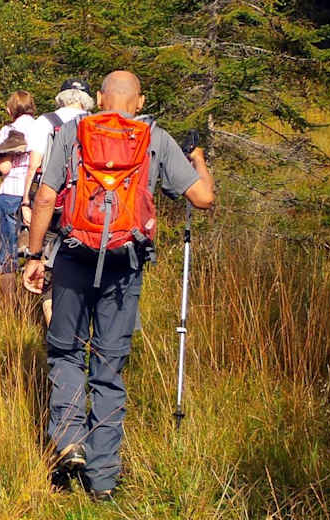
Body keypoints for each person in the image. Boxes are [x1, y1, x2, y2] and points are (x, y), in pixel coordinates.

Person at [21, 71, 215, 501]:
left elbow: (47, 197)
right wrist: (197, 158)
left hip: (73, 258)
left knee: (67, 351)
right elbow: (202, 198)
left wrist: (35, 257)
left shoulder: (74, 131)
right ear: (139, 99)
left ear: (101, 98)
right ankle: (103, 480)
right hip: (125, 266)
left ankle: (68, 442)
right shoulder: (154, 137)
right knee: (109, 369)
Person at [30, 80, 96, 325]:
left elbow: (35, 165)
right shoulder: (97, 124)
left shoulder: (45, 122)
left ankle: (55, 332)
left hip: (54, 206)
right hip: (90, 209)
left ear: (61, 96)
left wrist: (28, 201)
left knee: (48, 268)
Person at [0, 91, 42, 316]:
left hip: (11, 193)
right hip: (36, 196)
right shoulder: (42, 127)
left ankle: (10, 308)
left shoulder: (9, 130)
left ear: (11, 109)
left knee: (8, 252)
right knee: (35, 250)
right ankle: (37, 302)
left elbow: (5, 168)